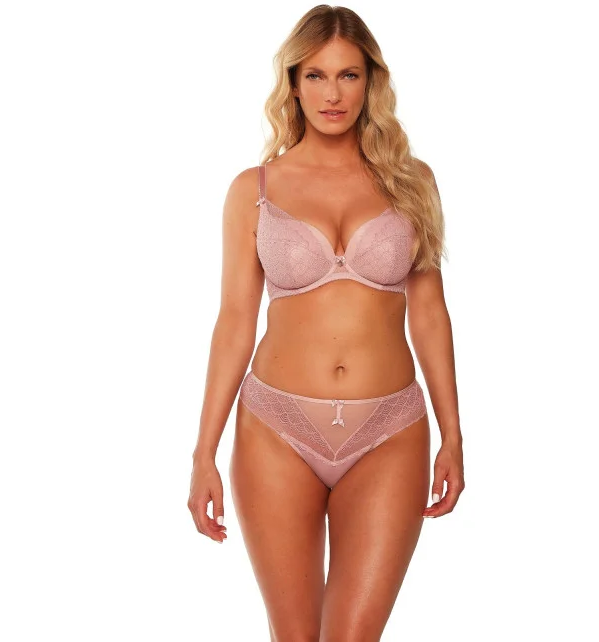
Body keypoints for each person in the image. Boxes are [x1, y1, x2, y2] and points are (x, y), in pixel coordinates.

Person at [188, 5, 464, 640]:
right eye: (315, 76)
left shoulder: (412, 182)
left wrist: (453, 433)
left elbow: (429, 312)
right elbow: (234, 322)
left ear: (371, 82)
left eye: (348, 75)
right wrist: (203, 453)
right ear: (293, 84)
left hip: (390, 430)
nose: (332, 94)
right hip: (276, 427)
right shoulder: (254, 189)